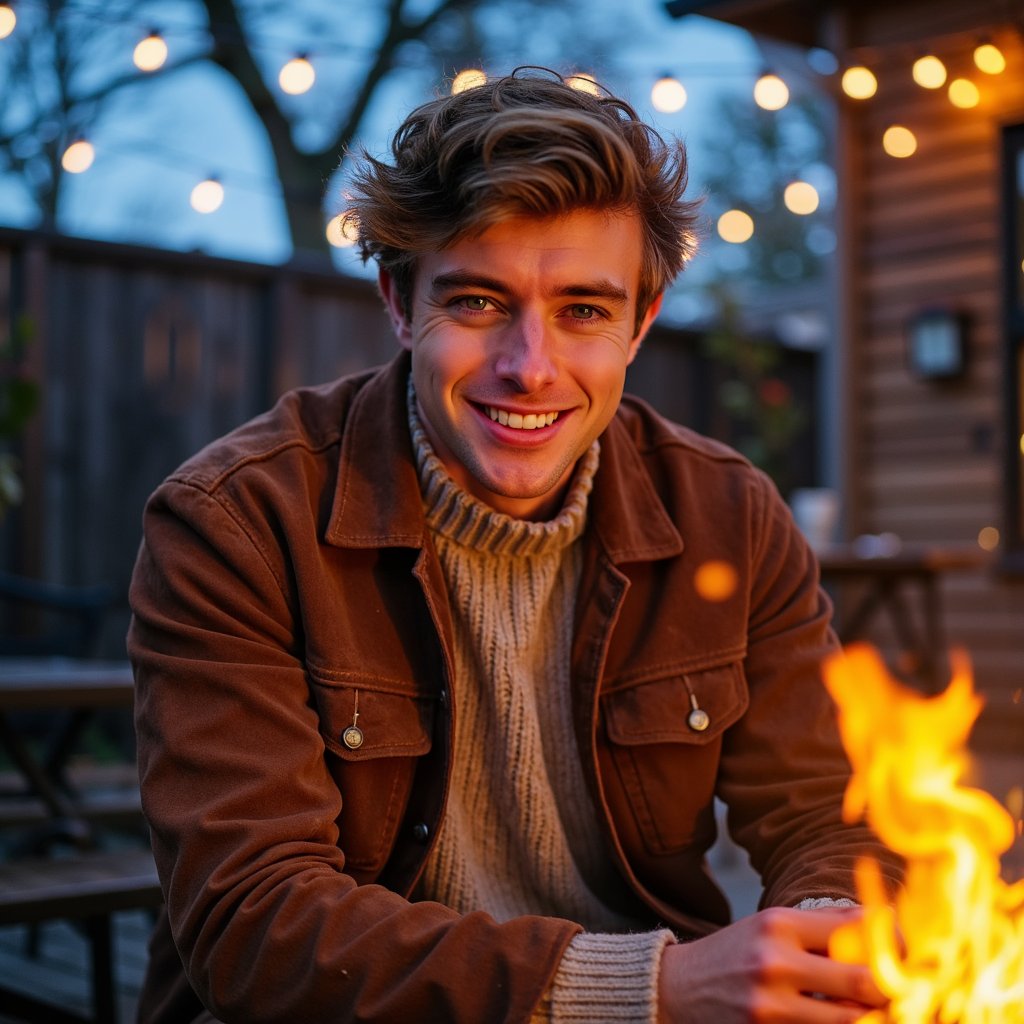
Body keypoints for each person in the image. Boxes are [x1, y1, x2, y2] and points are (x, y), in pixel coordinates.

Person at [128, 67, 901, 1023]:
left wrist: (828, 930)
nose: (529, 369)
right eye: (479, 302)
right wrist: (649, 989)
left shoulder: (730, 514)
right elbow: (255, 924)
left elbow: (829, 808)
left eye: (584, 310)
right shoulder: (236, 522)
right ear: (402, 304)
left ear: (640, 324)